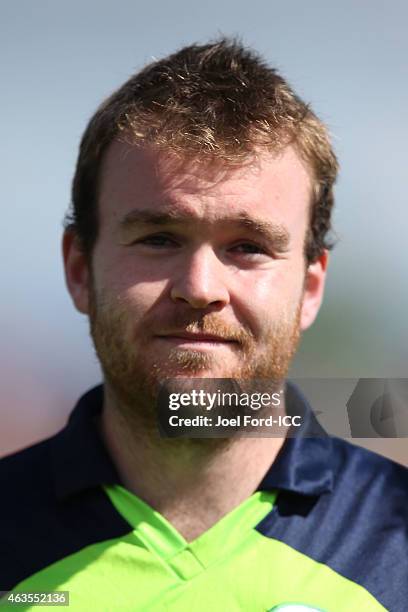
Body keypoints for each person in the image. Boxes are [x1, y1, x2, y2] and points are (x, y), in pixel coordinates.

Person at [0, 38, 407, 612]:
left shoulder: (397, 548)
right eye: (159, 238)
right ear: (79, 269)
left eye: (247, 246)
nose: (200, 288)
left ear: (310, 287)